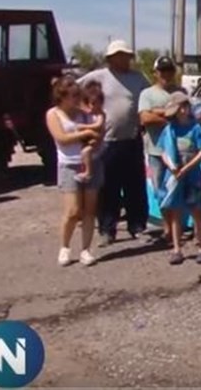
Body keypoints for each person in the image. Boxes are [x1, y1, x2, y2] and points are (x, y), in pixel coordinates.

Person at [78, 40, 151, 246]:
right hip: (107, 141)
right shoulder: (98, 77)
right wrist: (85, 111)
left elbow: (147, 100)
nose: (123, 59)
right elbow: (72, 90)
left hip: (132, 139)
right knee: (108, 187)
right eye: (118, 55)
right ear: (110, 58)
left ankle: (137, 226)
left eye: (126, 55)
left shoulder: (138, 78)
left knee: (135, 185)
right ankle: (107, 229)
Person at [45, 76, 103, 267]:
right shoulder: (53, 114)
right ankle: (65, 246)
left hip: (91, 162)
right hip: (68, 165)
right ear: (61, 96)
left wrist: (93, 138)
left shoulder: (84, 113)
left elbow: (99, 132)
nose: (76, 99)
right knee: (72, 211)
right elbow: (61, 138)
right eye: (73, 96)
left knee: (89, 209)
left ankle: (86, 249)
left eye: (78, 95)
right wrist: (85, 133)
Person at [156, 91, 201, 265]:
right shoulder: (169, 129)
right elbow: (163, 151)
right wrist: (171, 167)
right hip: (174, 176)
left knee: (197, 212)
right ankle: (176, 248)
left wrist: (187, 167)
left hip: (192, 175)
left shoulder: (195, 128)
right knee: (175, 213)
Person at [138, 56, 186, 242]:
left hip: (178, 150)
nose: (166, 74)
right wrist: (170, 116)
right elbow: (145, 119)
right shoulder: (147, 94)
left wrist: (157, 111)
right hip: (156, 151)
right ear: (155, 73)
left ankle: (179, 227)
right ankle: (167, 227)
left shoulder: (181, 92)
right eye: (162, 70)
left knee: (178, 189)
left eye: (169, 70)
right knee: (161, 191)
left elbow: (185, 116)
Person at [74, 81, 106, 183]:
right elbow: (80, 109)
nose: (91, 106)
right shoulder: (91, 113)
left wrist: (84, 127)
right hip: (90, 139)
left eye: (94, 104)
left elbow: (98, 125)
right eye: (90, 104)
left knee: (86, 151)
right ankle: (85, 169)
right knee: (84, 152)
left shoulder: (101, 114)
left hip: (97, 139)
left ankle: (88, 172)